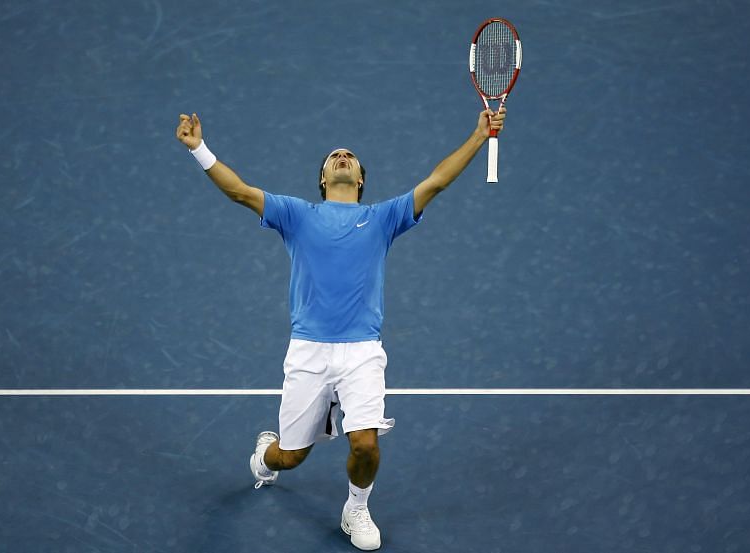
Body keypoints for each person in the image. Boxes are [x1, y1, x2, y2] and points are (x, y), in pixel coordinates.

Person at [175, 106, 507, 551]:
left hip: (361, 352)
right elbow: (239, 192)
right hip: (308, 352)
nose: (343, 156)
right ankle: (264, 454)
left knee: (366, 445)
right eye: (335, 156)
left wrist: (478, 135)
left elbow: (438, 180)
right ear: (324, 179)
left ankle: (357, 507)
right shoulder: (296, 215)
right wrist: (199, 148)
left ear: (361, 180)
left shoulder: (385, 217)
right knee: (290, 457)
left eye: (349, 156)